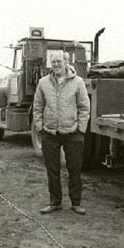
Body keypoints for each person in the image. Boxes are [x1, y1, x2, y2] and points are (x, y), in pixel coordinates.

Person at [33, 50, 90, 215]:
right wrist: (40, 127)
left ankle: (76, 203)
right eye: (53, 62)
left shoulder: (78, 82)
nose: (56, 65)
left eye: (59, 61)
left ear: (66, 62)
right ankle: (55, 203)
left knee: (74, 169)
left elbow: (84, 107)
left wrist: (80, 128)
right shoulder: (43, 83)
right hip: (50, 133)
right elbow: (37, 107)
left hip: (73, 133)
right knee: (52, 170)